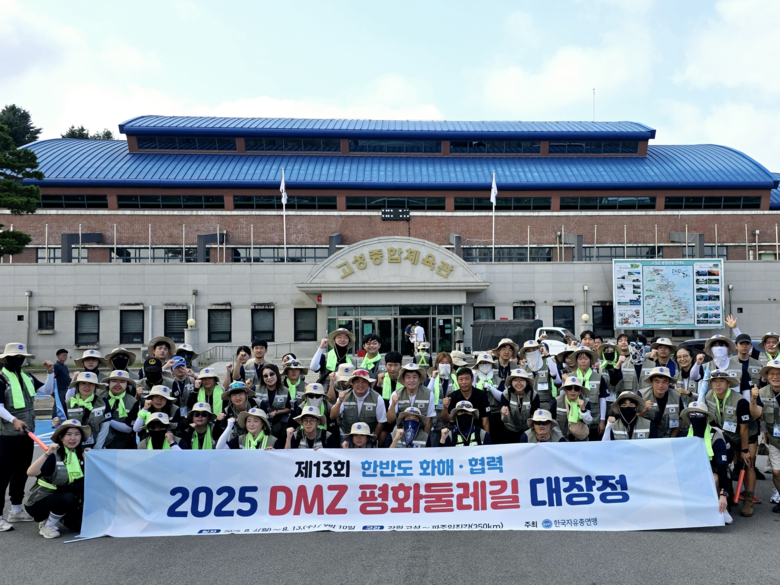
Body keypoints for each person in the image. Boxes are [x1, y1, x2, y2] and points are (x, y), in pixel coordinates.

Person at [0, 344, 55, 530]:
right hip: (6, 435)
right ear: (6, 359)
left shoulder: (27, 376)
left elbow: (47, 391)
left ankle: (16, 510)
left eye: (21, 357)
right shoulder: (1, 379)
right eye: (14, 357)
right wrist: (13, 420)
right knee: (2, 475)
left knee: (21, 472)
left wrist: (50, 373)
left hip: (26, 434)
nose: (18, 360)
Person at [703, 369, 759, 517]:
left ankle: (748, 499)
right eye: (714, 381)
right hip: (726, 434)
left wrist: (744, 450)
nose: (718, 384)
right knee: (724, 463)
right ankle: (729, 492)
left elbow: (744, 428)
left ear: (728, 383)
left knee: (748, 463)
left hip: (747, 434)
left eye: (721, 381)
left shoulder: (740, 401)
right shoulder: (708, 396)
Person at [23, 420, 89, 538]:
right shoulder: (53, 455)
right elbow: (31, 472)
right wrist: (47, 453)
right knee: (67, 497)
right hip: (40, 501)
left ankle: (58, 517)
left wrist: (89, 458)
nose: (73, 438)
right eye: (69, 434)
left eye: (77, 434)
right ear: (61, 437)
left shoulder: (80, 455)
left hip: (66, 500)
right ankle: (47, 525)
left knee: (80, 525)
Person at [681, 401, 732, 523]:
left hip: (713, 470)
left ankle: (721, 507)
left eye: (698, 414)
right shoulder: (684, 434)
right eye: (691, 415)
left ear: (706, 417)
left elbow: (722, 467)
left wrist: (723, 494)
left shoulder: (716, 437)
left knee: (713, 479)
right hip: (692, 469)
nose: (695, 417)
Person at [750, 359, 780, 513]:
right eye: (772, 374)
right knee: (776, 472)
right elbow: (756, 414)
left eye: (779, 373)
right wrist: (753, 400)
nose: (775, 377)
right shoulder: (762, 392)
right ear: (767, 377)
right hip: (775, 440)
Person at [567, 347, 611, 440]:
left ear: (590, 360)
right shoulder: (571, 377)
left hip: (594, 418)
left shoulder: (598, 377)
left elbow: (602, 399)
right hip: (576, 421)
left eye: (586, 358)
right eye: (580, 359)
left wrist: (602, 420)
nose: (583, 361)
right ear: (576, 361)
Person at [331, 370, 386, 442]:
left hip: (368, 436)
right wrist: (339, 402)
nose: (360, 385)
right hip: (346, 435)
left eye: (364, 381)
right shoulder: (344, 396)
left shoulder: (377, 398)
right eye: (357, 381)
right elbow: (332, 416)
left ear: (369, 383)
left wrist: (373, 439)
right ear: (352, 383)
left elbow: (381, 421)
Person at [58, 372, 109, 449]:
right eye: (83, 383)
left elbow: (105, 428)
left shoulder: (103, 402)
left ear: (95, 386)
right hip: (73, 446)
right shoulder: (67, 403)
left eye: (91, 383)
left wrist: (97, 448)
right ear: (78, 385)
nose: (87, 386)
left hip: (96, 446)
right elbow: (62, 427)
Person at [386, 363, 435, 433]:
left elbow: (429, 419)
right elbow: (390, 420)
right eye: (408, 377)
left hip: (420, 431)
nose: (411, 380)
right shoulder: (395, 394)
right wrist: (393, 404)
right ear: (403, 379)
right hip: (401, 431)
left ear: (419, 379)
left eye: (414, 377)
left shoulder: (429, 394)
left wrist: (425, 438)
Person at [442, 367, 491, 433]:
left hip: (477, 432)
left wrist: (486, 437)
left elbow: (485, 420)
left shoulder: (481, 395)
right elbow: (445, 420)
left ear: (472, 379)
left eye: (467, 378)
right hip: (457, 433)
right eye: (461, 379)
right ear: (457, 381)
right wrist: (445, 408)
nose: (464, 382)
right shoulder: (452, 397)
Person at [99, 370, 139, 450]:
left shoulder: (133, 402)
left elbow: (129, 428)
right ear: (109, 383)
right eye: (114, 381)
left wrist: (107, 419)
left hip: (121, 445)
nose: (117, 384)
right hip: (98, 444)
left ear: (127, 384)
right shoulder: (99, 396)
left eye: (122, 382)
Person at [639, 367, 683, 438]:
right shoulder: (641, 395)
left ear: (669, 383)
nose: (660, 385)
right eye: (657, 381)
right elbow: (634, 419)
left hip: (668, 437)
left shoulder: (677, 397)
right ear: (651, 382)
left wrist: (671, 439)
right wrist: (644, 410)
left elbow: (680, 419)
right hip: (646, 438)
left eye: (664, 381)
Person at [498, 369, 540, 443]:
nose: (518, 383)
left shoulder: (534, 395)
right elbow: (505, 420)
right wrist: (505, 415)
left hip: (528, 430)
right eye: (515, 380)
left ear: (527, 382)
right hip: (511, 429)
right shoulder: (506, 394)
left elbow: (535, 417)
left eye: (522, 380)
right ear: (511, 382)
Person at [426, 352, 459, 443]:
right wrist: (433, 378)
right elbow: (427, 394)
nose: (444, 365)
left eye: (447, 363)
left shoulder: (455, 379)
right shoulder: (431, 379)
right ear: (437, 365)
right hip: (435, 421)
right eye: (442, 363)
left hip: (451, 419)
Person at [519, 340, 559, 411]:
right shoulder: (523, 370)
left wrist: (547, 355)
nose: (532, 352)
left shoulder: (548, 367)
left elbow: (554, 374)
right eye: (528, 350)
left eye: (534, 349)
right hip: (527, 406)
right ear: (525, 354)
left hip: (545, 406)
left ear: (539, 350)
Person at [472, 352, 504, 443]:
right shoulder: (474, 379)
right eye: (482, 363)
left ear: (492, 365)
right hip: (478, 415)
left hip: (495, 414)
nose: (485, 365)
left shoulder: (498, 380)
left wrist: (491, 388)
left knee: (497, 440)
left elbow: (502, 398)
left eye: (487, 363)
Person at [255, 364, 292, 441]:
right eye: (265, 376)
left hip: (278, 424)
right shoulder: (256, 389)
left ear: (277, 374)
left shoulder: (285, 390)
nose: (269, 378)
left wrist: (277, 412)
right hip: (260, 425)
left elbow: (289, 408)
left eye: (272, 374)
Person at [555, 376, 593, 442]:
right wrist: (561, 438)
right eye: (569, 388)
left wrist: (583, 410)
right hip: (562, 439)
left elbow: (589, 421)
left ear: (580, 391)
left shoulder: (586, 402)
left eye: (576, 388)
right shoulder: (557, 401)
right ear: (566, 390)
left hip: (580, 440)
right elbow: (552, 422)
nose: (573, 391)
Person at [727, 333, 763, 400]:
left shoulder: (758, 364)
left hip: (754, 399)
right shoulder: (729, 363)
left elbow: (762, 384)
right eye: (741, 344)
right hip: (734, 399)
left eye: (747, 344)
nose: (744, 346)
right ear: (736, 346)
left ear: (750, 346)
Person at [51, 349, 70, 419]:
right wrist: (52, 388)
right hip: (59, 389)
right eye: (63, 355)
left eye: (66, 355)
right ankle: (54, 419)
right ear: (58, 356)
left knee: (64, 404)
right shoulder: (56, 365)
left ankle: (62, 418)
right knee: (58, 404)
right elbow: (52, 377)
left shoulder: (64, 365)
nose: (65, 357)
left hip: (65, 388)